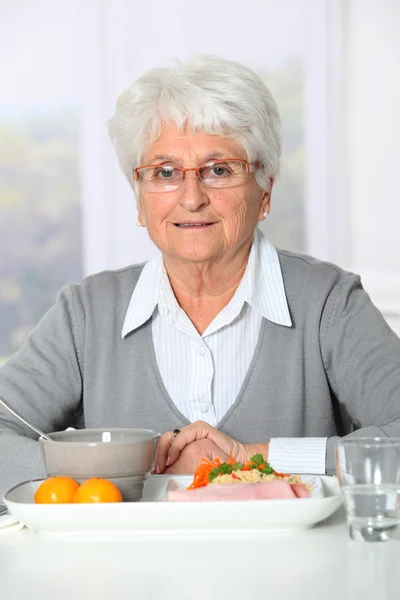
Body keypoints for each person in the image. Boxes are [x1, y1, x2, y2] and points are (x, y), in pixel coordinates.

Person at [0, 55, 399, 499]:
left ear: (264, 191)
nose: (191, 198)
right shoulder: (86, 314)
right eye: (165, 173)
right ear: (139, 199)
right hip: (126, 571)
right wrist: (129, 467)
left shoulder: (329, 303)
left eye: (219, 170)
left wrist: (256, 460)